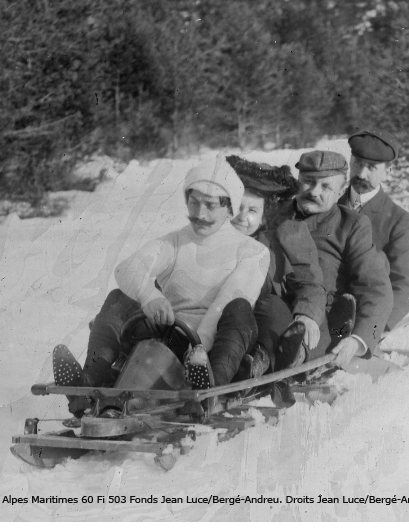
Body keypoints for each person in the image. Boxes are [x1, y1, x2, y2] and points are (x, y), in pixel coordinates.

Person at [55, 156, 270, 416]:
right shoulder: (176, 242)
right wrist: (149, 296)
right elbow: (127, 268)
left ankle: (208, 393)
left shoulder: (252, 251)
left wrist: (198, 350)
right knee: (119, 297)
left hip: (218, 349)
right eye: (194, 202)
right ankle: (88, 387)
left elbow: (225, 302)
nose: (200, 214)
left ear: (229, 208)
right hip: (170, 340)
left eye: (211, 206)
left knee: (238, 309)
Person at [278, 150, 393, 366]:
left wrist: (358, 340)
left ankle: (293, 357)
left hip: (325, 317)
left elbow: (376, 289)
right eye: (307, 182)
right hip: (275, 308)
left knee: (299, 347)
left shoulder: (350, 226)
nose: (313, 192)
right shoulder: (276, 217)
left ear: (341, 190)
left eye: (325, 187)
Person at [226, 155, 325, 376]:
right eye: (236, 207)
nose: (241, 217)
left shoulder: (287, 234)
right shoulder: (215, 234)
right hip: (219, 319)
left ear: (263, 217)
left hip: (264, 318)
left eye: (252, 210)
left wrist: (307, 314)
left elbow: (310, 282)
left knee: (272, 307)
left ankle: (258, 363)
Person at [337, 131, 409, 332]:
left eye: (371, 167)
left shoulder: (397, 219)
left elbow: (405, 285)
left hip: (365, 315)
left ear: (387, 172)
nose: (362, 174)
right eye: (357, 163)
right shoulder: (330, 204)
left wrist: (374, 328)